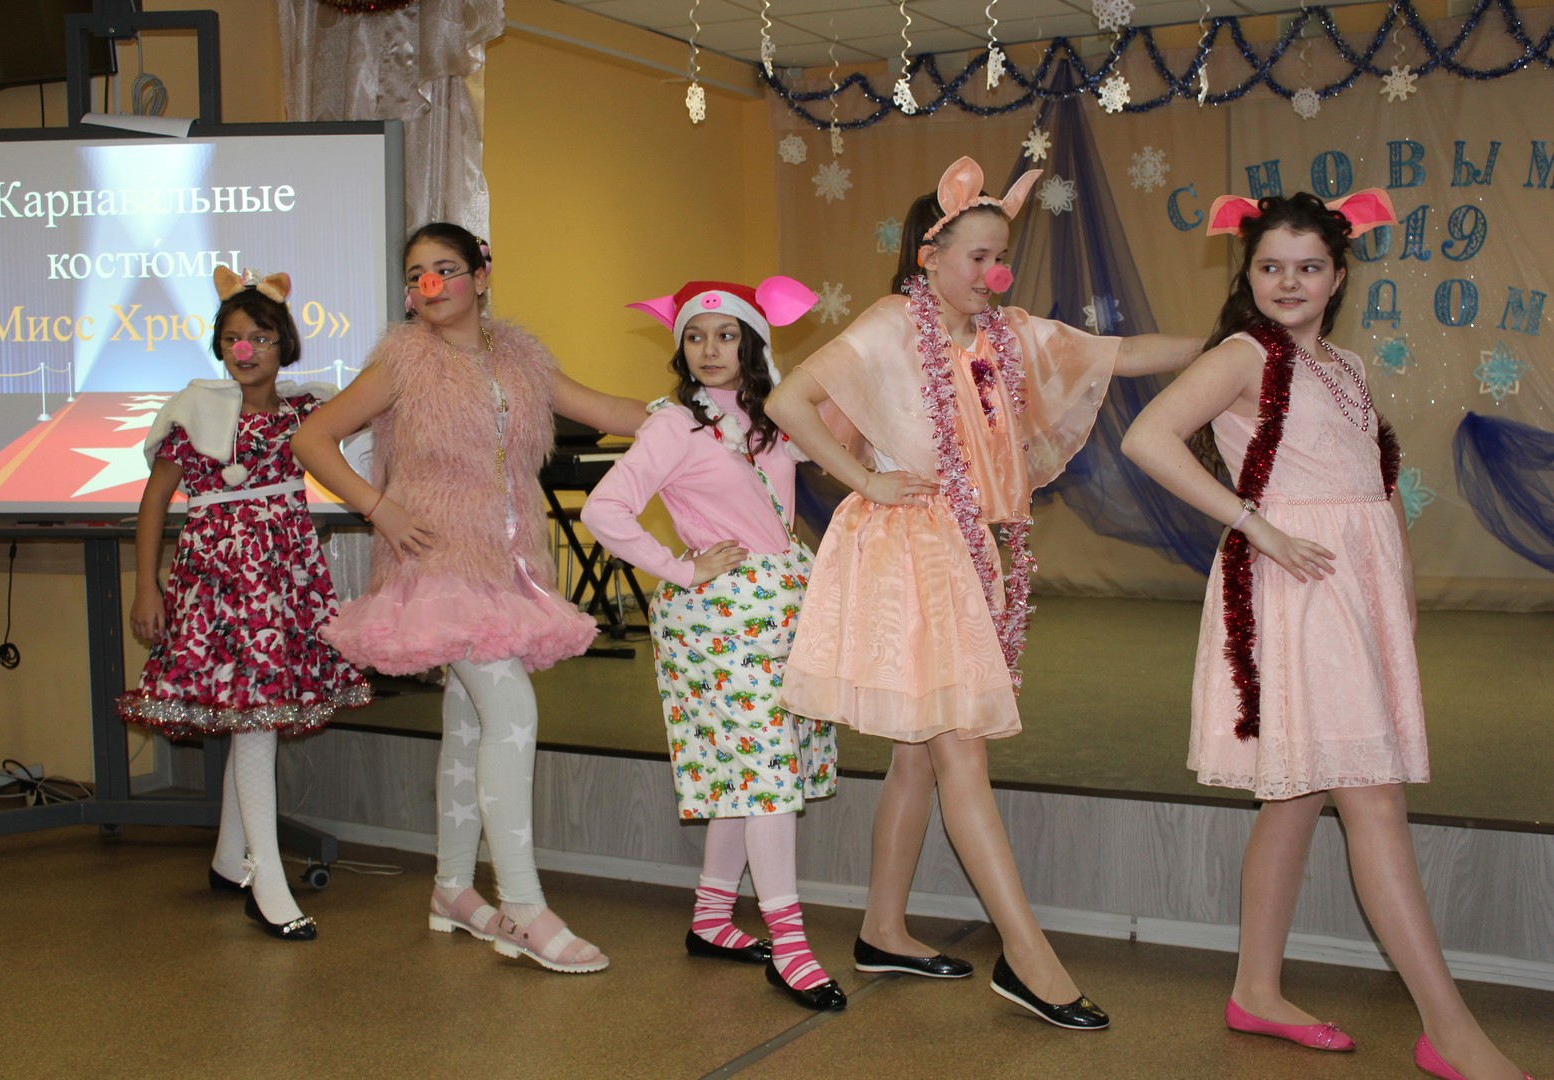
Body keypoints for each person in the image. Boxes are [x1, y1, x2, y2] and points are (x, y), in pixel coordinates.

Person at [764, 156, 1200, 1029]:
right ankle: (1028, 959)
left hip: (966, 551)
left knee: (919, 751)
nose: (995, 274)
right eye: (978, 258)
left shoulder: (1007, 335)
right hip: (912, 548)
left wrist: (1231, 342)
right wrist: (866, 477)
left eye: (1002, 258)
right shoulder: (893, 325)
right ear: (930, 257)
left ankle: (881, 929)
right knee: (960, 747)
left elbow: (1118, 354)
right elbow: (789, 401)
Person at [1121, 191, 1531, 1080]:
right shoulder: (1240, 354)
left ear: (1338, 277)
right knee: (1372, 800)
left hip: (1355, 593)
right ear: (1248, 273)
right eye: (1270, 266)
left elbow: (1372, 487)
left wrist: (1401, 593)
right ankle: (1449, 1028)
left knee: (1297, 796)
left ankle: (1255, 991)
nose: (1288, 282)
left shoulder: (1345, 364)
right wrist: (1254, 524)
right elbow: (1148, 438)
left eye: (1308, 267)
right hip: (1297, 591)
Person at [290, 222, 647, 974]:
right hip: (435, 561)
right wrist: (378, 508)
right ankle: (522, 905)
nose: (431, 284)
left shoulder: (520, 359)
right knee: (511, 712)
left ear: (480, 277)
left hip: (502, 564)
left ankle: (452, 888)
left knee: (468, 720)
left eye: (446, 268)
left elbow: (606, 410)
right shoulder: (401, 361)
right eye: (416, 273)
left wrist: (696, 418)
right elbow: (313, 438)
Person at [580, 277, 844, 1010]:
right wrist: (679, 568)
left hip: (781, 605)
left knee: (748, 770)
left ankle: (710, 917)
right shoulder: (672, 425)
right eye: (695, 336)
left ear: (752, 342)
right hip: (720, 619)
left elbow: (834, 440)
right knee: (765, 775)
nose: (709, 349)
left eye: (726, 335)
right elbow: (604, 509)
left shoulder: (769, 415)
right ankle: (789, 946)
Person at [120, 265, 372, 942]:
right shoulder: (195, 411)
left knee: (252, 716)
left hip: (284, 583)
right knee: (254, 718)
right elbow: (154, 501)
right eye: (233, 338)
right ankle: (267, 885)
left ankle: (231, 860)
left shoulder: (307, 412)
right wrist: (146, 584)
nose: (245, 349)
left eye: (259, 337)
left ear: (283, 343)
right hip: (219, 584)